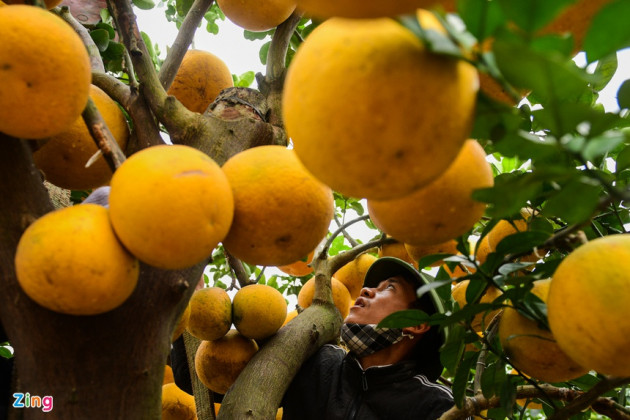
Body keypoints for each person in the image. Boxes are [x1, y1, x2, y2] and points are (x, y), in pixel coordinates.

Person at [282, 256, 456, 420]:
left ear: (417, 323)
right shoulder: (318, 363)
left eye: (389, 288)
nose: (365, 290)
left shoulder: (436, 405)